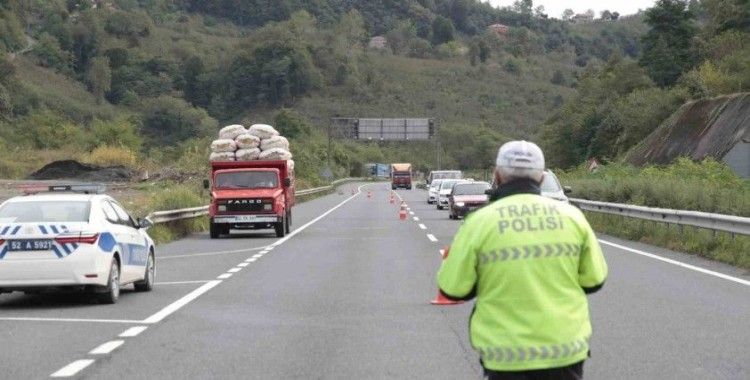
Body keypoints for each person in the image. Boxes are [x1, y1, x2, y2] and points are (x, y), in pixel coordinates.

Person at [437, 140, 608, 380]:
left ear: (497, 176)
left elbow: (452, 288)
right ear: (540, 178)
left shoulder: (478, 222)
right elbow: (594, 280)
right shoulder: (572, 218)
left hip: (505, 357)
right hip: (565, 351)